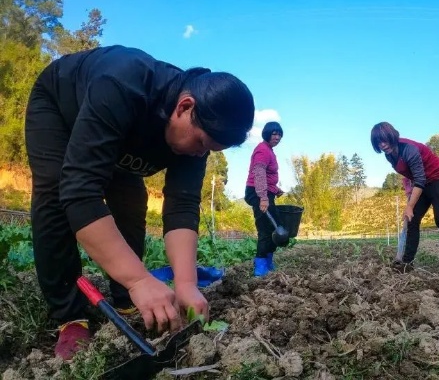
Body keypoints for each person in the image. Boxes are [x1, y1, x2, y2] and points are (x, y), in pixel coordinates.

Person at [24, 45, 255, 360]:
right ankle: (69, 315)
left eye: (210, 149)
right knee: (54, 192)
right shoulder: (123, 84)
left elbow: (182, 208)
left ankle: (125, 298)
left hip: (122, 139)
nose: (201, 154)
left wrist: (186, 284)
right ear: (184, 106)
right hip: (61, 108)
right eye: (201, 143)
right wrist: (139, 278)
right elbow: (80, 191)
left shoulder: (198, 136)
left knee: (131, 201)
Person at [370, 122, 439, 271]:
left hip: (438, 178)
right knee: (412, 219)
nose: (382, 145)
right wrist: (409, 196)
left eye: (385, 140)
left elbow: (419, 179)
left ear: (392, 136)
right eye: (378, 142)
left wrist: (410, 205)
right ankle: (406, 263)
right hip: (421, 183)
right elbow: (408, 175)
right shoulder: (389, 156)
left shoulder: (409, 149)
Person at [244, 121, 285, 277]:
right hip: (257, 192)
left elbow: (268, 176)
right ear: (267, 134)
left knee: (274, 227)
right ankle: (260, 266)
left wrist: (275, 189)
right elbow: (259, 173)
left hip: (266, 191)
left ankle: (268, 261)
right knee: (265, 228)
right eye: (274, 134)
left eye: (279, 134)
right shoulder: (262, 150)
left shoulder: (270, 150)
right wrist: (263, 197)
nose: (277, 137)